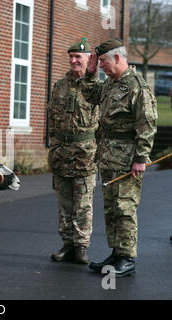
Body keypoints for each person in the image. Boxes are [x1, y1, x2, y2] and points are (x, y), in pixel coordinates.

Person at [80, 39, 157, 277]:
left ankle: (127, 257)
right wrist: (90, 73)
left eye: (102, 61)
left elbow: (147, 125)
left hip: (127, 158)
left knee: (125, 208)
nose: (100, 65)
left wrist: (141, 158)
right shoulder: (112, 84)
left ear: (116, 58)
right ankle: (116, 253)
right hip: (109, 157)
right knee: (112, 208)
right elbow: (90, 96)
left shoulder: (136, 86)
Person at [48, 38, 99, 265]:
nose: (74, 60)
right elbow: (52, 119)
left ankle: (81, 247)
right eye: (71, 57)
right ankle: (67, 244)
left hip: (85, 154)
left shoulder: (96, 88)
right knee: (65, 203)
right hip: (61, 152)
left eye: (78, 56)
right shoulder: (59, 86)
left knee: (83, 203)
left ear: (89, 59)